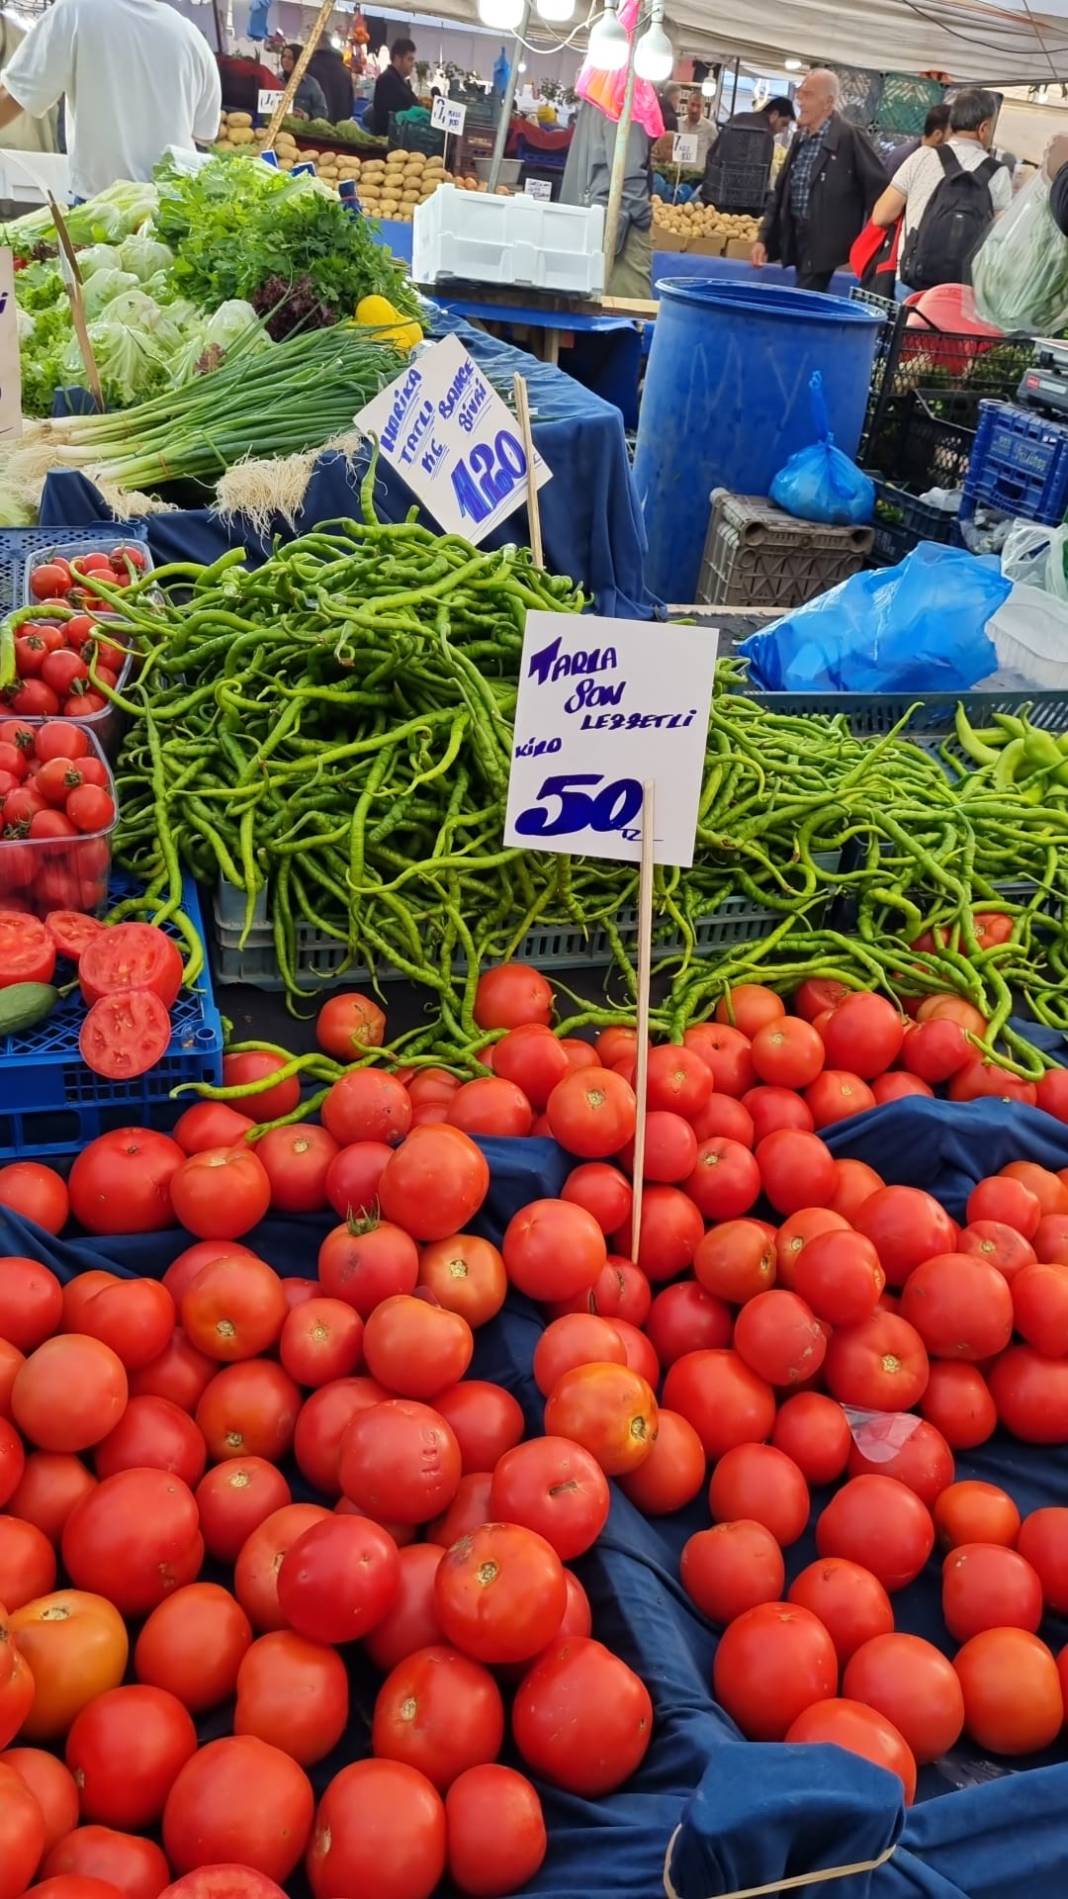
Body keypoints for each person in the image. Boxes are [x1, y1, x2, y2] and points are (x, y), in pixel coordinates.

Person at [0, 0, 221, 201]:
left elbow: (12, 98)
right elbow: (205, 134)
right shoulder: (191, 36)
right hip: (173, 207)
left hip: (103, 209)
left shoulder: (75, 11)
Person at [753, 69, 886, 291]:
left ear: (828, 102)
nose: (800, 101)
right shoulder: (800, 138)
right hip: (797, 240)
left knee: (804, 304)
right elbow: (781, 190)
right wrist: (764, 238)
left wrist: (869, 243)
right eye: (800, 93)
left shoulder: (848, 137)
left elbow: (879, 190)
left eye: (808, 95)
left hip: (828, 252)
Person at [872, 88, 1010, 294]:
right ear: (984, 128)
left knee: (905, 325)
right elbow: (1001, 235)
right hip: (962, 289)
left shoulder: (922, 157)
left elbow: (881, 216)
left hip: (912, 281)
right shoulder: (998, 173)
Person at [561, 101, 652, 297]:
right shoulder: (625, 94)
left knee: (589, 307)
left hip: (589, 218)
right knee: (628, 316)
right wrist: (644, 218)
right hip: (618, 224)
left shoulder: (598, 93)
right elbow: (628, 175)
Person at [700, 94, 794, 204]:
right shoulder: (765, 135)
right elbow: (761, 173)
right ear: (774, 114)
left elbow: (712, 153)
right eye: (783, 124)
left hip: (716, 193)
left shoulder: (737, 118)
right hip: (746, 202)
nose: (782, 130)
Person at [371, 37, 417, 138]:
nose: (412, 64)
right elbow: (398, 110)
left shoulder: (400, 81)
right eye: (409, 59)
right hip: (387, 141)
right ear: (397, 58)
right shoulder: (388, 80)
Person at [280, 44, 329, 123]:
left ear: (299, 60)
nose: (285, 60)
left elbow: (323, 111)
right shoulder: (276, 79)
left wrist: (305, 115)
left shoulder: (311, 84)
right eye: (284, 56)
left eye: (290, 58)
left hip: (300, 131)